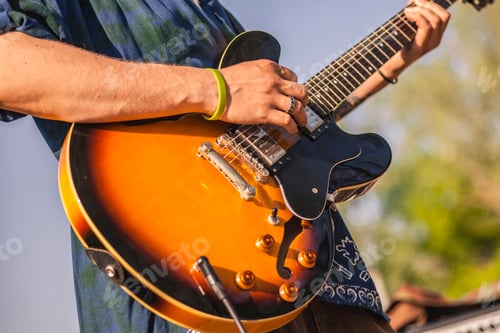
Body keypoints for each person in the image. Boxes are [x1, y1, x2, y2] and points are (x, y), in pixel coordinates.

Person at [0, 0, 450, 332]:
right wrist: (214, 89)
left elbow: (275, 130)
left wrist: (393, 60)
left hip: (319, 272)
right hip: (178, 280)